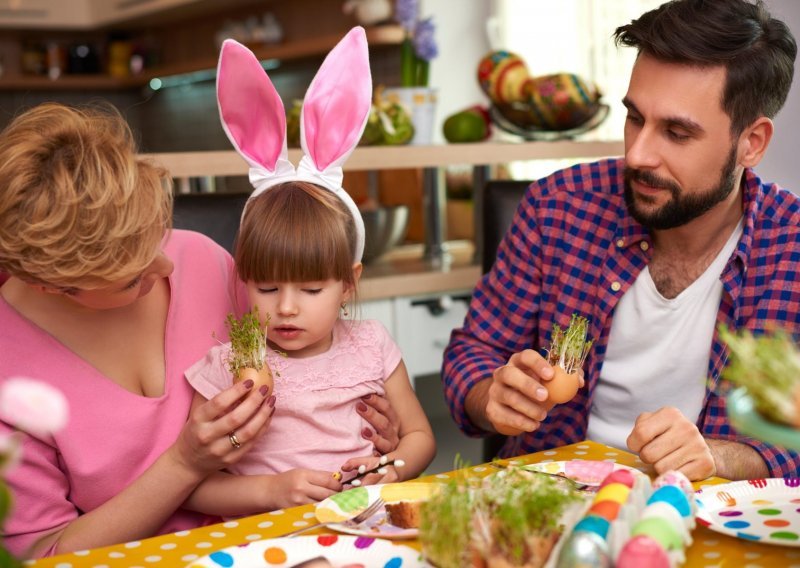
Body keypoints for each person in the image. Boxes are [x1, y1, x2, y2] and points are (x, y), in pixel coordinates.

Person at [0, 107, 399, 557]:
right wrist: (184, 464)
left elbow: (313, 354)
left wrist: (371, 424)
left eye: (158, 234)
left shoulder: (202, 259)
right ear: (50, 285)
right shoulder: (8, 373)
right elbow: (42, 555)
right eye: (132, 277)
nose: (168, 266)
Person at [443, 0, 800, 481]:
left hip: (702, 521)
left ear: (751, 142)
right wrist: (491, 395)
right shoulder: (557, 206)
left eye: (676, 132)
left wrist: (720, 457)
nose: (637, 154)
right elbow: (474, 350)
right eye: (635, 118)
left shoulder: (791, 247)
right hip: (547, 505)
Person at [184, 30, 435, 513]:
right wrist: (271, 491)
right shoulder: (229, 366)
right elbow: (196, 485)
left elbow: (420, 436)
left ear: (349, 284)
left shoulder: (372, 345)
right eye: (267, 286)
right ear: (244, 280)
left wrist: (392, 467)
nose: (286, 306)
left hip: (366, 526)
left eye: (313, 287)